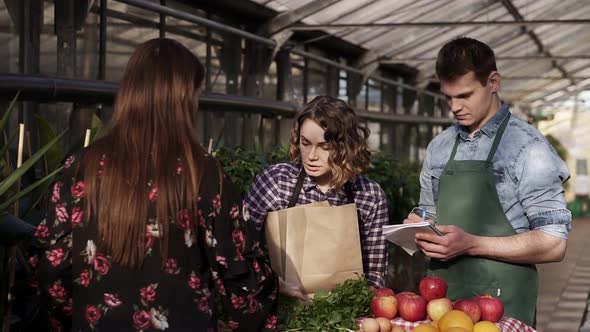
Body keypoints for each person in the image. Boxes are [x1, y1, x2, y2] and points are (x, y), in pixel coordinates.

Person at [35, 38, 278, 331]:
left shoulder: (82, 167)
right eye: (197, 95)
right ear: (183, 99)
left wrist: (77, 317)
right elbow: (238, 277)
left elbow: (52, 263)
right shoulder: (201, 173)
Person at [405, 37, 571, 326]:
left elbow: (553, 243)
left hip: (502, 308)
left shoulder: (527, 148)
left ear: (493, 82)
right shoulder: (439, 147)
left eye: (465, 95)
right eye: (448, 97)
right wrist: (416, 225)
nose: (454, 107)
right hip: (441, 304)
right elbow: (428, 212)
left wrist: (471, 244)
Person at [244, 95, 389, 300]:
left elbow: (374, 278)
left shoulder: (369, 196)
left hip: (343, 314)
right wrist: (273, 283)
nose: (311, 156)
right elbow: (240, 248)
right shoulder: (276, 182)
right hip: (277, 307)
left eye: (324, 147)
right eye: (305, 143)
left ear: (346, 146)